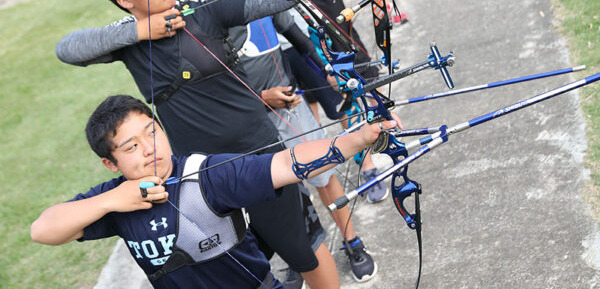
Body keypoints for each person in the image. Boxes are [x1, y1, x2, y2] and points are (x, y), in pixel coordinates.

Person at [55, 0, 375, 288]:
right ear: (125, 0)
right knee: (230, 261)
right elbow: (67, 49)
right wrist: (142, 32)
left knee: (302, 249)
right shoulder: (126, 39)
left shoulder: (202, 9)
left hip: (257, 156)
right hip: (198, 177)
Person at [30, 94, 402, 288]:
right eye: (131, 147)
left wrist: (357, 139)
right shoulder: (114, 197)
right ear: (111, 164)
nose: (150, 149)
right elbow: (43, 230)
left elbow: (286, 163)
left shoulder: (206, 174)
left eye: (152, 132)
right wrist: (114, 200)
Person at [171, 0, 392, 206]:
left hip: (296, 38)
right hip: (258, 55)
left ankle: (367, 166)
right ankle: (316, 182)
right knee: (298, 113)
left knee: (339, 100)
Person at [185, 0, 389, 283]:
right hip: (250, 131)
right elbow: (212, 97)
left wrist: (327, 70)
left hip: (290, 112)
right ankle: (300, 256)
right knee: (280, 197)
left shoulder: (255, 8)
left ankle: (352, 241)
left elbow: (301, 40)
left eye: (220, 1)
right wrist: (261, 98)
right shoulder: (197, 43)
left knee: (324, 176)